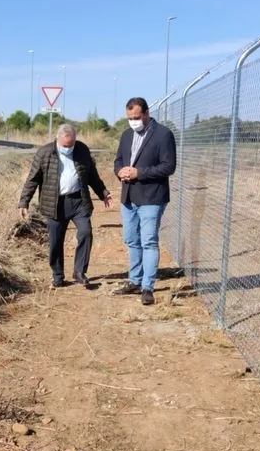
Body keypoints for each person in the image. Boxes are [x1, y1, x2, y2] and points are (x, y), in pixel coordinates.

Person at [19, 123, 113, 288]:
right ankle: (57, 275)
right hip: (55, 203)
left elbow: (92, 176)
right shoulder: (45, 153)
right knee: (56, 241)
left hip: (79, 201)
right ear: (57, 139)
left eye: (72, 145)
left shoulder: (82, 150)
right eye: (65, 145)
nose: (69, 148)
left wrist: (103, 193)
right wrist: (24, 201)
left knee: (86, 233)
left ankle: (79, 272)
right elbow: (33, 179)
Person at [113, 97, 177, 305]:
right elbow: (119, 160)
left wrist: (138, 173)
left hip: (152, 197)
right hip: (129, 196)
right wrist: (120, 171)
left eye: (137, 117)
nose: (133, 121)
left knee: (148, 241)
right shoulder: (126, 135)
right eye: (130, 118)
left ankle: (147, 287)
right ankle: (134, 280)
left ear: (147, 114)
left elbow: (168, 167)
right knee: (132, 240)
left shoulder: (163, 135)